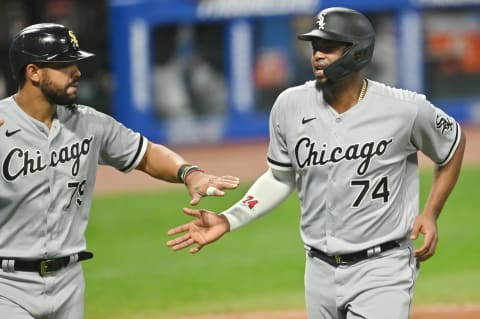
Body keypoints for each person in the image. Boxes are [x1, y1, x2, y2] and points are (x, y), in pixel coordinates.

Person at [167, 7, 466, 319]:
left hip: (383, 268)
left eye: (328, 48)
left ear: (357, 52)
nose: (317, 56)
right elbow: (281, 177)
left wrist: (431, 213)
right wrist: (230, 219)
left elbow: (454, 142)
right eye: (315, 48)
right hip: (318, 270)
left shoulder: (404, 109)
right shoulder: (289, 105)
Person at [0, 23, 240, 319]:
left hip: (69, 283)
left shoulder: (89, 123)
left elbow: (147, 154)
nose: (76, 71)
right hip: (7, 286)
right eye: (64, 64)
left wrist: (190, 174)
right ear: (33, 72)